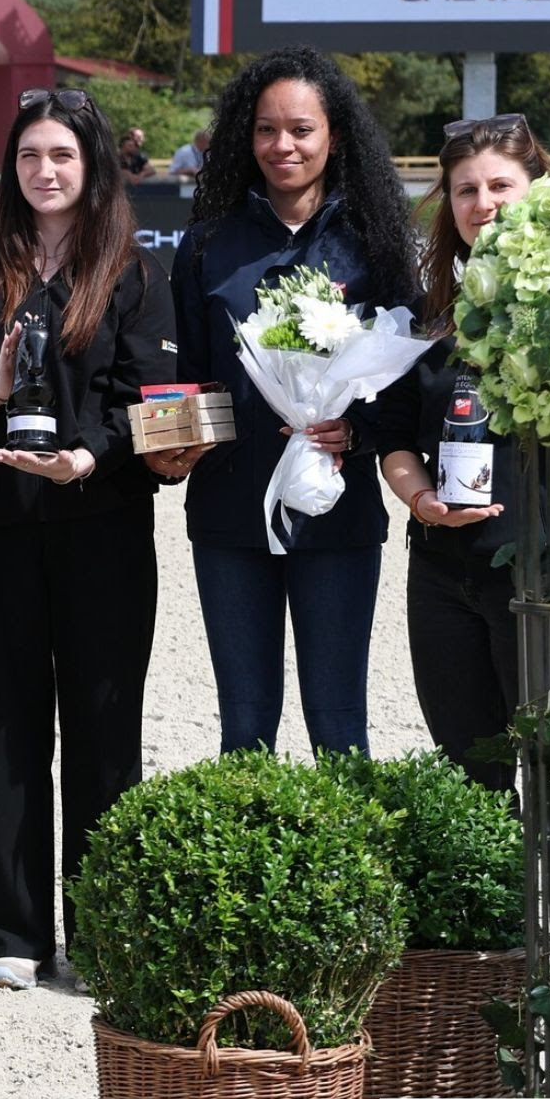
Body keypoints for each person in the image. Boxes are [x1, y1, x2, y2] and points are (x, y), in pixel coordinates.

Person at [0, 88, 173, 992]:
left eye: (62, 154)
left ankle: (100, 933)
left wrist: (89, 456)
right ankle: (10, 935)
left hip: (102, 523)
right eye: (29, 155)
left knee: (104, 725)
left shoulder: (137, 274)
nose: (45, 170)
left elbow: (145, 399)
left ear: (92, 165)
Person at [172, 46, 419, 756]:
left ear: (334, 137)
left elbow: (405, 386)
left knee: (340, 728)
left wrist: (358, 431)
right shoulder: (206, 246)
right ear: (245, 137)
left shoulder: (374, 245)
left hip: (338, 513)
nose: (283, 145)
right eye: (266, 129)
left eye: (302, 129)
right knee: (244, 727)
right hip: (229, 513)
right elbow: (187, 374)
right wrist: (175, 438)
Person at [370, 114, 550, 791]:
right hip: (442, 576)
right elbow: (393, 439)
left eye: (501, 185)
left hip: (544, 572)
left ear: (536, 189)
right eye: (466, 190)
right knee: (469, 776)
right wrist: (421, 499)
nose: (484, 204)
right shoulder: (428, 317)